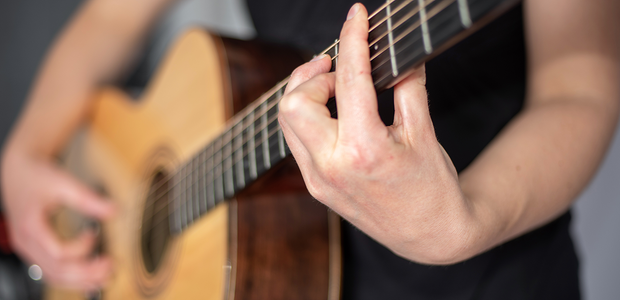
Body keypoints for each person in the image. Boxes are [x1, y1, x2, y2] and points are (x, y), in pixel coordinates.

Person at [1, 0, 618, 298]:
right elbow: (112, 18)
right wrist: (25, 151)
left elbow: (581, 88)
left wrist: (465, 224)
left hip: (486, 268)